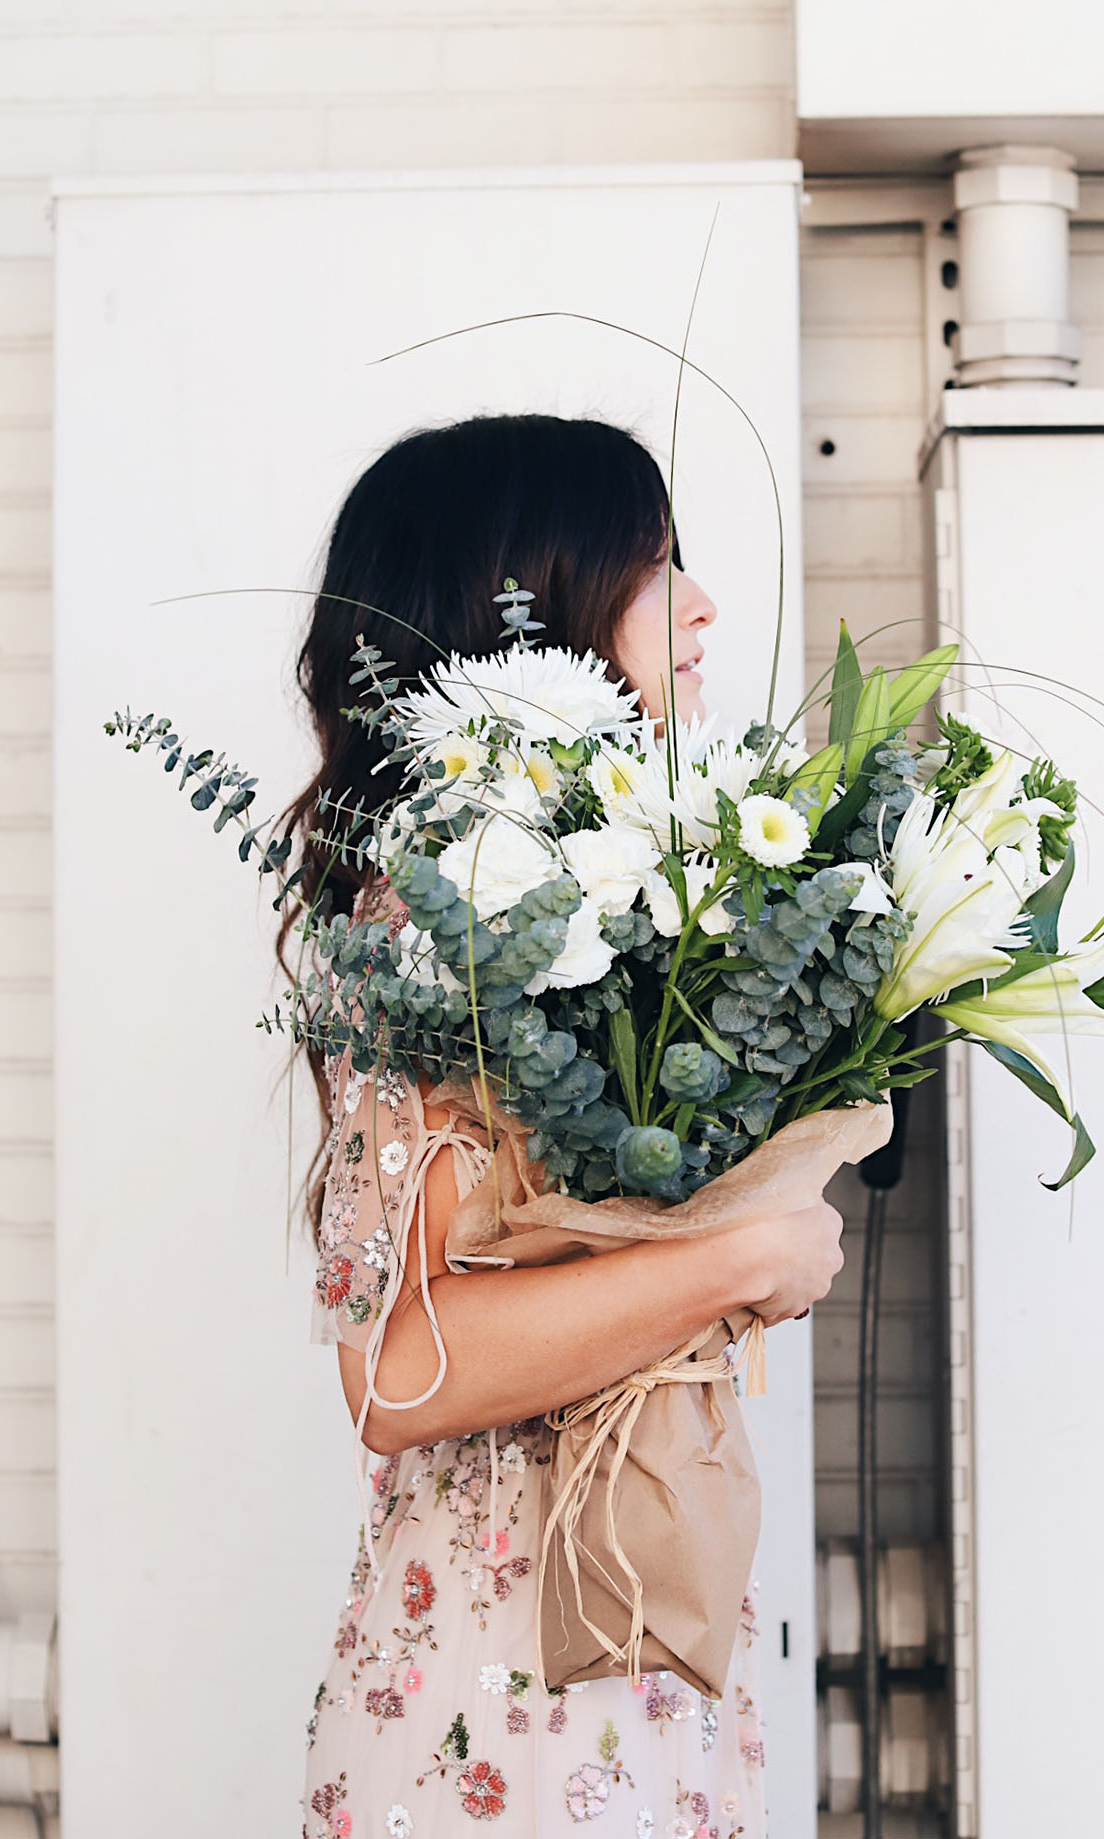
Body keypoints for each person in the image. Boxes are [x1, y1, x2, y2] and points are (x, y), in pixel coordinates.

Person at [292, 415, 844, 1838]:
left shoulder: (619, 898)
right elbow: (398, 1368)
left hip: (633, 1646)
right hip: (504, 1687)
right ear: (533, 612)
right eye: (660, 565)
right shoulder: (433, 923)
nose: (705, 606)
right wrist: (738, 1261)